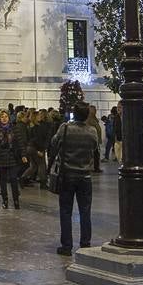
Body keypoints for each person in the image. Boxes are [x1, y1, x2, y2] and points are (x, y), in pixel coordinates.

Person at [49, 104, 100, 256]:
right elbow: (95, 148)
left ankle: (66, 246)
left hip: (67, 175)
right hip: (85, 176)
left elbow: (54, 143)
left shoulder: (65, 128)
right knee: (85, 211)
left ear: (74, 114)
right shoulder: (92, 131)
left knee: (66, 211)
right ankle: (85, 243)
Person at [0, 109, 26, 209]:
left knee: (13, 179)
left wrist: (23, 155)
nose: (4, 118)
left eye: (6, 116)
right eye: (2, 117)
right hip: (1, 158)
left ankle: (16, 200)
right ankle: (5, 200)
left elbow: (20, 143)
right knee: (3, 180)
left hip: (13, 157)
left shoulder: (15, 129)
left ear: (9, 118)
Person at [85, 105, 104, 171]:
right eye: (93, 109)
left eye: (95, 109)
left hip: (95, 139)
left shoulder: (94, 118)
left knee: (96, 154)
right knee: (94, 154)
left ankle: (96, 167)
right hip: (92, 139)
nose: (95, 111)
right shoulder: (88, 119)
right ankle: (94, 167)